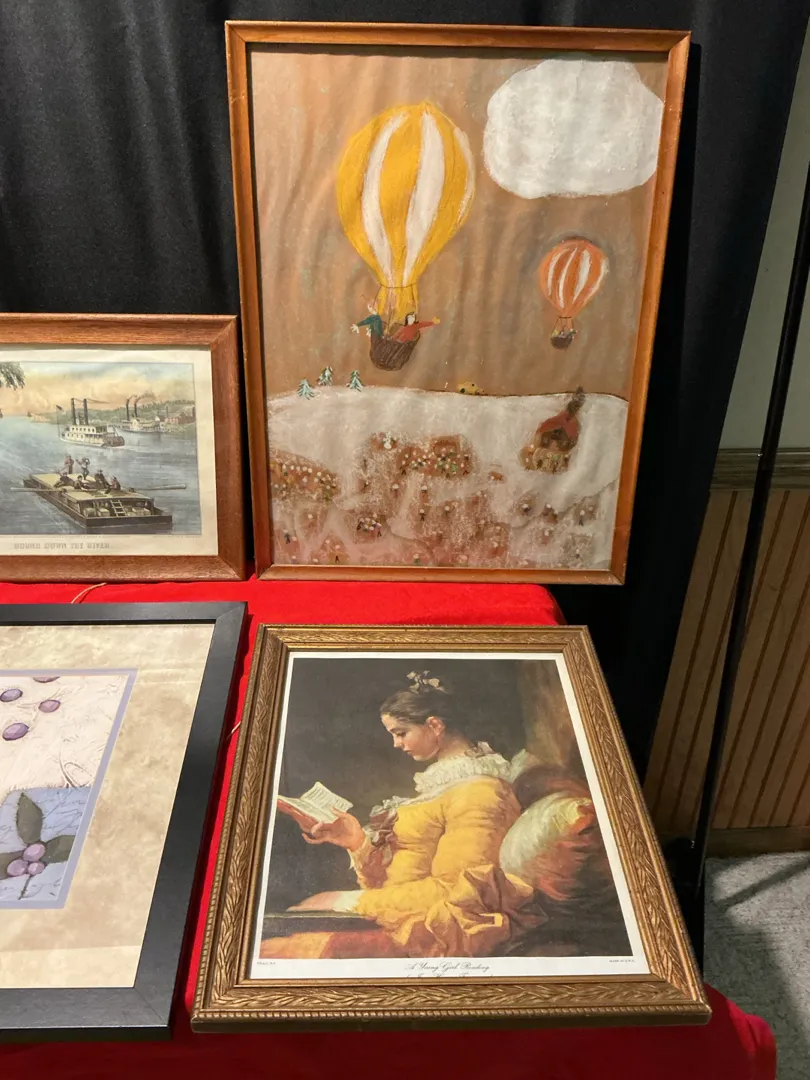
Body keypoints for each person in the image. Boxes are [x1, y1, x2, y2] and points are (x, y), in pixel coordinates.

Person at [262, 672, 534, 960]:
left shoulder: (480, 792)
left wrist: (345, 901)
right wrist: (356, 842)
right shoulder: (443, 785)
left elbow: (457, 892)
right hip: (395, 917)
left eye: (401, 733)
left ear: (435, 725)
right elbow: (400, 878)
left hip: (428, 931)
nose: (395, 744)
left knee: (279, 949)